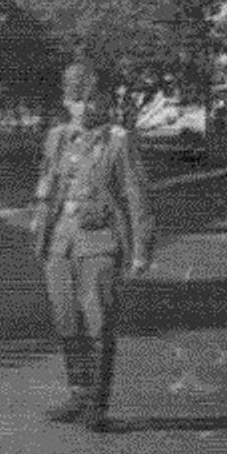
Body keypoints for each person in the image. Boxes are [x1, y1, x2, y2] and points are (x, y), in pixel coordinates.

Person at [31, 60, 155, 432]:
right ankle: (78, 394)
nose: (83, 108)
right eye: (75, 100)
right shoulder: (57, 137)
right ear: (66, 102)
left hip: (99, 242)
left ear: (101, 100)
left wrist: (140, 249)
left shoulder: (118, 140)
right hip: (60, 243)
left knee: (99, 322)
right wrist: (40, 221)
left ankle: (98, 406)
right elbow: (47, 183)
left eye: (89, 100)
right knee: (66, 319)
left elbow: (136, 196)